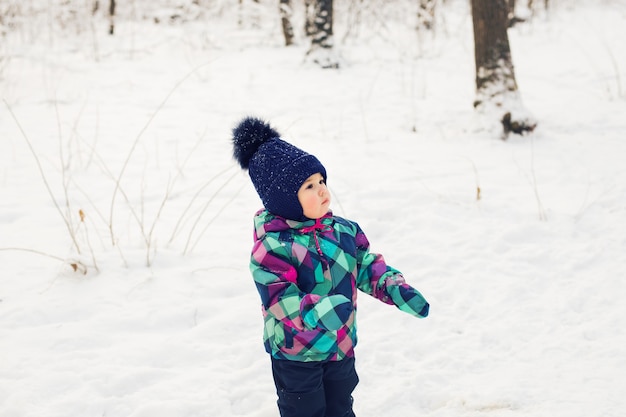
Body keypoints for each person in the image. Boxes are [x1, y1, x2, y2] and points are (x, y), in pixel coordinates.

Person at [231, 116, 430, 417]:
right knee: (305, 411)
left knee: (340, 406)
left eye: (321, 181)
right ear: (284, 199)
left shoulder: (343, 231)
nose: (322, 190)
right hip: (296, 355)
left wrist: (393, 287)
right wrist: (320, 312)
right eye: (309, 186)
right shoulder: (272, 248)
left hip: (341, 346)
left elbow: (363, 265)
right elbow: (279, 300)